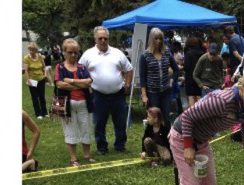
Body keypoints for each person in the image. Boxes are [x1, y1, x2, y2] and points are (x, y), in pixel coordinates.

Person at [79, 26, 134, 154]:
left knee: (120, 121)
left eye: (105, 38)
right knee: (99, 122)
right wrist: (87, 87)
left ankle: (120, 145)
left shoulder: (117, 53)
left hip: (118, 93)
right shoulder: (88, 54)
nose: (103, 40)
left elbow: (129, 69)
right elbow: (80, 71)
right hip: (98, 94)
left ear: (108, 39)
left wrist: (127, 85)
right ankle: (102, 147)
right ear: (95, 39)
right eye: (100, 38)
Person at [55, 38, 97, 166]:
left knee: (86, 128)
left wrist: (71, 81)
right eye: (70, 52)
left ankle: (87, 155)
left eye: (75, 52)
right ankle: (73, 158)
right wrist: (81, 84)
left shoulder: (82, 67)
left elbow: (89, 82)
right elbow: (60, 84)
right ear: (64, 52)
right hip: (66, 104)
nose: (73, 55)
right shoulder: (60, 67)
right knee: (70, 130)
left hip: (84, 103)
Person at [139, 28, 180, 127]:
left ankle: (167, 135)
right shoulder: (145, 55)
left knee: (166, 117)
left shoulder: (167, 53)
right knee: (154, 118)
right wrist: (144, 95)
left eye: (160, 38)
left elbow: (176, 69)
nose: (158, 41)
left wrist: (172, 80)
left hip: (165, 91)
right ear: (151, 39)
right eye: (156, 38)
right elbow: (142, 76)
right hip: (152, 92)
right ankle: (155, 135)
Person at [23, 42, 50, 119]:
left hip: (41, 79)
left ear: (36, 50)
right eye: (30, 50)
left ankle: (45, 112)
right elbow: (26, 70)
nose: (31, 51)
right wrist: (28, 80)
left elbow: (44, 67)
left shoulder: (40, 57)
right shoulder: (26, 58)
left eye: (33, 50)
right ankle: (38, 114)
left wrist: (45, 75)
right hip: (32, 80)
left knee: (42, 97)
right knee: (35, 97)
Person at [183, 36, 205, 109]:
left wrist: (182, 67)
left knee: (191, 97)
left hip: (190, 78)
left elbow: (186, 67)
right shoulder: (202, 53)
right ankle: (200, 113)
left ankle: (192, 114)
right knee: (199, 96)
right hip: (200, 78)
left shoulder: (188, 53)